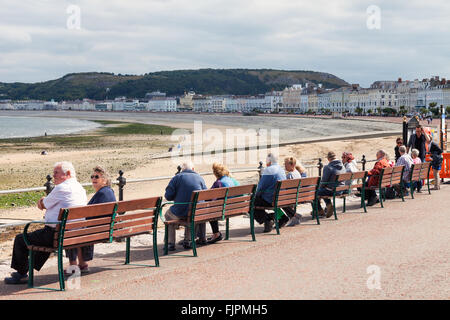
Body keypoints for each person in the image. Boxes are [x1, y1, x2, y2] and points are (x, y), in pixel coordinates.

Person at [5, 162, 87, 285]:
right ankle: (27, 269)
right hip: (74, 234)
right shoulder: (80, 188)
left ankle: (21, 274)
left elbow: (42, 205)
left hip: (58, 235)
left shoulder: (61, 188)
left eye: (56, 173)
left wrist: (43, 201)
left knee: (20, 239)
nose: (53, 176)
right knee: (43, 237)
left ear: (68, 174)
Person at [65, 166, 116, 275]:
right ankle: (82, 264)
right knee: (78, 227)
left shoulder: (102, 193)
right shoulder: (108, 192)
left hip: (97, 230)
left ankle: (73, 265)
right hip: (105, 229)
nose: (93, 178)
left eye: (97, 176)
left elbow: (90, 215)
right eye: (92, 176)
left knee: (71, 228)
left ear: (105, 180)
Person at [164, 161, 207, 251]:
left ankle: (170, 243)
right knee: (191, 211)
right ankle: (188, 240)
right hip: (196, 213)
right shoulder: (200, 178)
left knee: (168, 215)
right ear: (193, 169)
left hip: (182, 212)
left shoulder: (177, 178)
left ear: (182, 170)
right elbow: (205, 194)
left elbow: (168, 196)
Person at [253, 153, 286, 233]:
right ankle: (281, 217)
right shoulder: (281, 169)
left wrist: (255, 196)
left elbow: (260, 188)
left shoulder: (269, 170)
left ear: (269, 161)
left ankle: (267, 219)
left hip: (271, 200)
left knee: (250, 202)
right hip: (281, 198)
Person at [207, 163, 239, 244]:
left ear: (215, 173)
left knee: (208, 209)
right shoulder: (231, 180)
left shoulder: (218, 183)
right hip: (236, 207)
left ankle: (216, 234)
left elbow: (209, 198)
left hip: (224, 210)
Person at [316, 151, 346, 218]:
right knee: (323, 190)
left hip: (332, 191)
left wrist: (319, 188)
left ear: (328, 159)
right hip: (341, 190)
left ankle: (319, 210)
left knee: (314, 192)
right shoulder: (343, 166)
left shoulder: (328, 167)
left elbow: (324, 181)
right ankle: (328, 206)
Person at [283, 157, 303, 227]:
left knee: (278, 201)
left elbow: (285, 188)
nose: (285, 166)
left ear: (292, 165)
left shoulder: (290, 175)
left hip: (291, 197)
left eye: (286, 164)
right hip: (297, 196)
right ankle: (294, 216)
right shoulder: (297, 173)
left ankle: (293, 216)